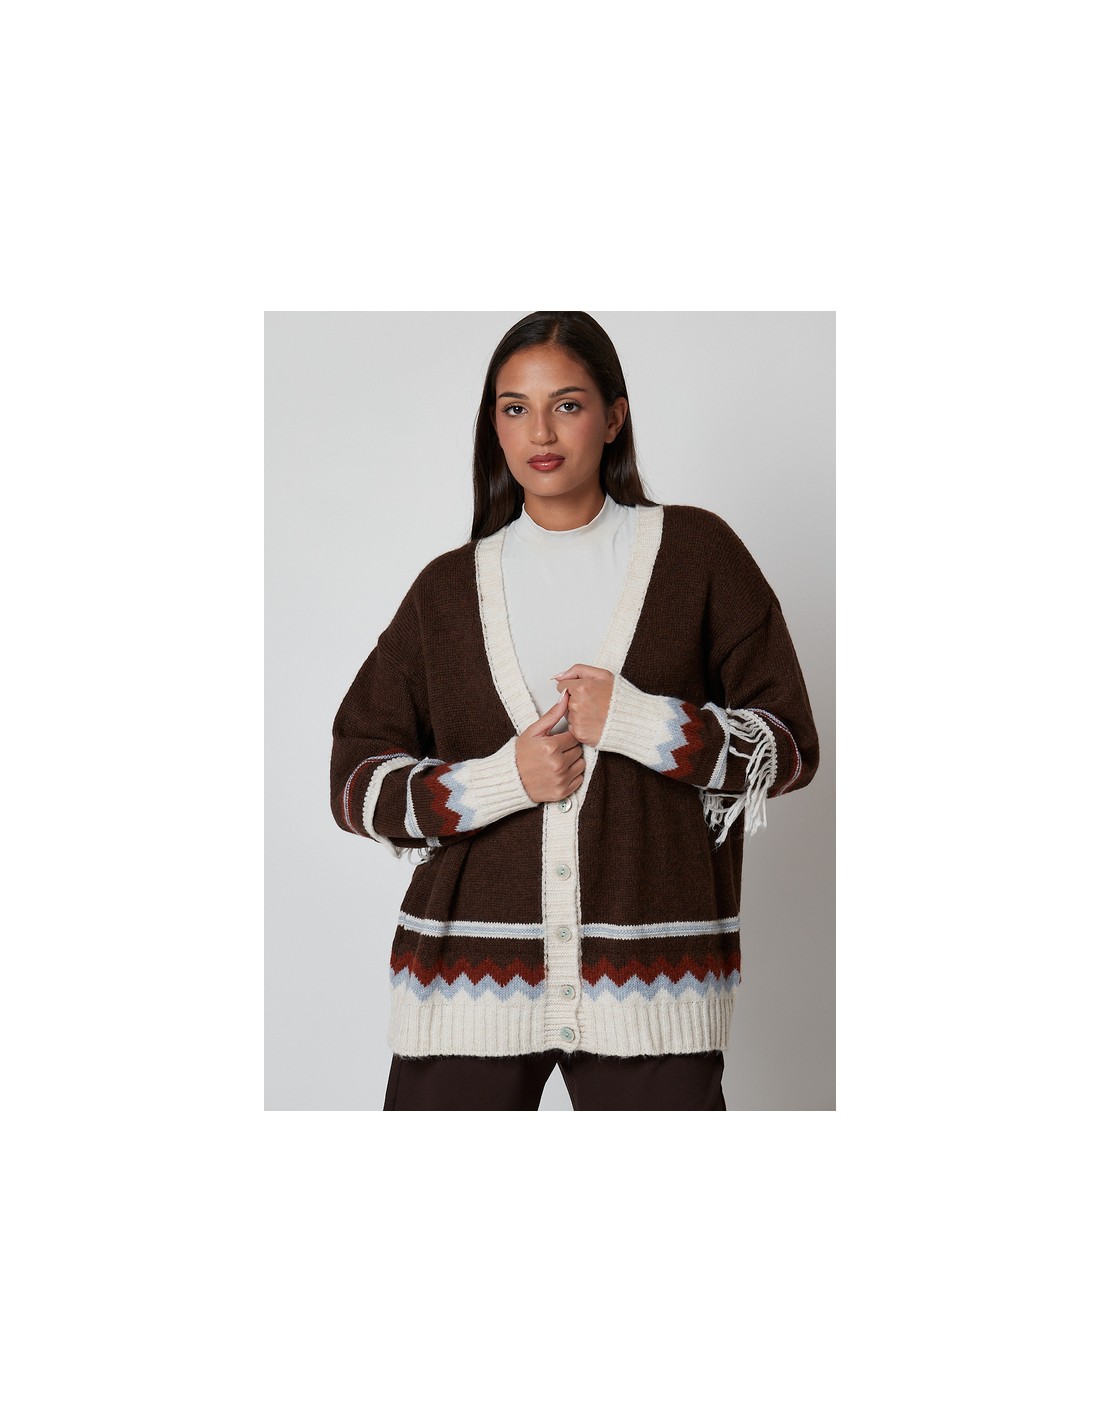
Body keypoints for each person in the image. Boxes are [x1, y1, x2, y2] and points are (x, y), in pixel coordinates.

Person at [330, 311, 820, 1111]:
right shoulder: (447, 591)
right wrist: (498, 782)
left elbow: (791, 745)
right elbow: (355, 780)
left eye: (567, 404)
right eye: (514, 408)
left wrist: (645, 725)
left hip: (656, 986)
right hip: (464, 988)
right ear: (493, 426)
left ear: (614, 416)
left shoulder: (696, 554)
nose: (540, 432)